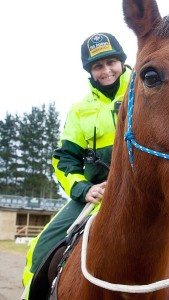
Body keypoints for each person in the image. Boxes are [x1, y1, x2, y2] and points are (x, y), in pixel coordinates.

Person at [22, 32, 132, 293]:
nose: (106, 71)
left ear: (122, 62)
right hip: (96, 195)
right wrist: (85, 190)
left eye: (111, 62)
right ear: (90, 71)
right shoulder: (79, 110)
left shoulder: (147, 90)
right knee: (40, 246)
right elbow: (64, 160)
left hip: (149, 192)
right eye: (98, 66)